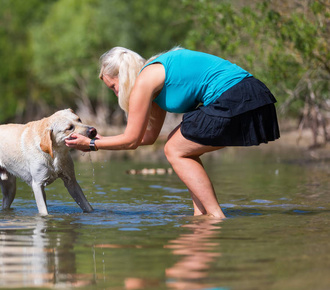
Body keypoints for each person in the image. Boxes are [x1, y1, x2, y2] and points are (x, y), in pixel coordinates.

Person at [65, 46, 280, 218]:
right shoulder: (153, 80)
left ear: (123, 75)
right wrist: (104, 140)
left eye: (113, 87)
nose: (116, 93)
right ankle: (201, 215)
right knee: (181, 146)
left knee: (174, 149)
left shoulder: (144, 81)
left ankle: (215, 216)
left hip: (237, 96)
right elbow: (146, 137)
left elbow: (131, 141)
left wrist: (91, 145)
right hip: (253, 95)